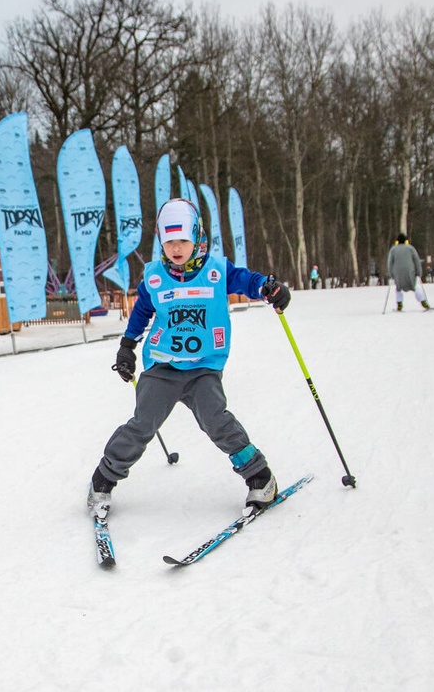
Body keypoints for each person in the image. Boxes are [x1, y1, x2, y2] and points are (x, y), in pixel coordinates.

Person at [86, 198, 291, 517]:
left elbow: (247, 281)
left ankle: (260, 478)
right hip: (162, 366)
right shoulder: (154, 276)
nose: (176, 248)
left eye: (182, 240)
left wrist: (268, 288)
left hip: (203, 368)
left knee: (217, 422)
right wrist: (127, 346)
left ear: (197, 236)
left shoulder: (216, 270)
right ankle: (103, 480)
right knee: (142, 424)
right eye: (169, 241)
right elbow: (142, 311)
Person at [386, 233, 433, 311]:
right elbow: (416, 260)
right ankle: (424, 303)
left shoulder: (393, 249)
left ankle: (399, 305)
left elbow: (390, 262)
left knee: (398, 288)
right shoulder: (411, 248)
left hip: (398, 272)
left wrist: (391, 273)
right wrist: (419, 272)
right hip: (409, 271)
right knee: (414, 286)